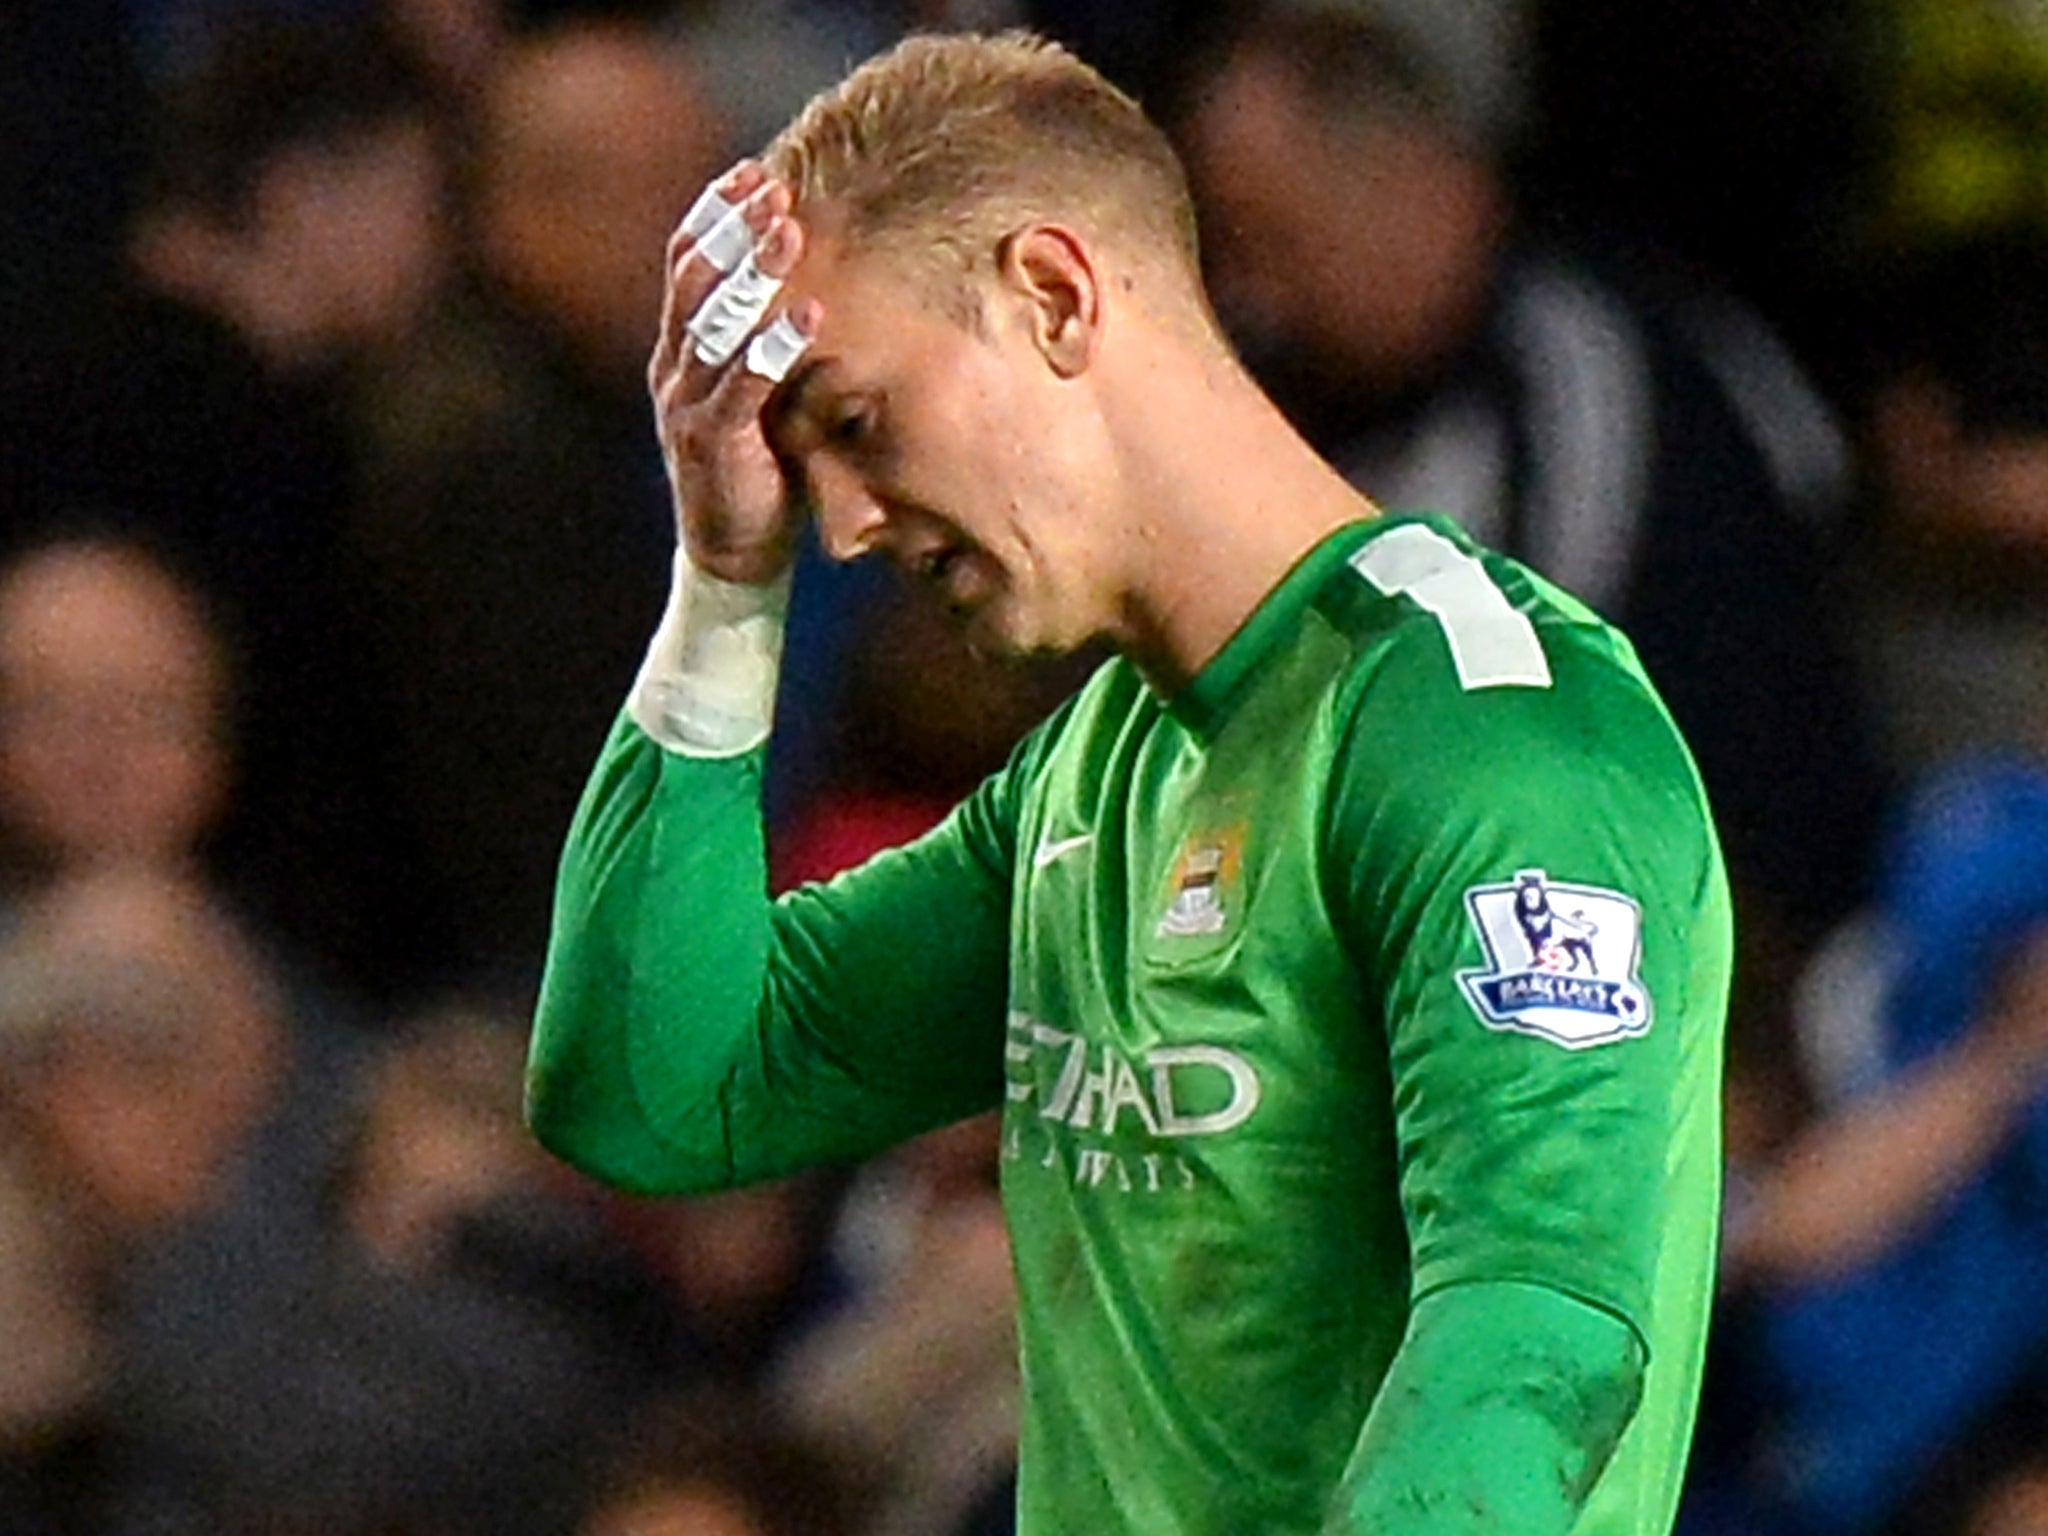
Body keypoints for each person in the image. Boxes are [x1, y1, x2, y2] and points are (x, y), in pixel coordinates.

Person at [527, 30, 1730, 1536]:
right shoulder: (1091, 776)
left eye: (852, 420)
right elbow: (653, 1089)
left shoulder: (1490, 731)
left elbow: (1538, 1339)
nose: (835, 523)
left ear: (1051, 294)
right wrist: (720, 576)